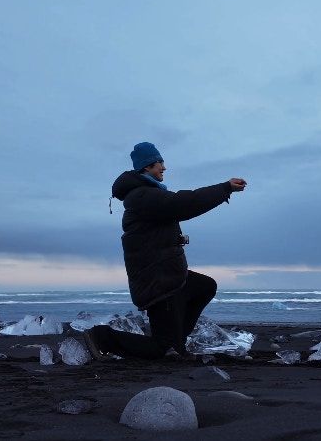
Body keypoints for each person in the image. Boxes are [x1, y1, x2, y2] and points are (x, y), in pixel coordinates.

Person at [85, 142, 247, 360]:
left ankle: (177, 339)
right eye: (159, 162)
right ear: (147, 166)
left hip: (168, 275)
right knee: (161, 349)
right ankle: (102, 337)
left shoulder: (148, 195)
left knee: (204, 286)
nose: (164, 167)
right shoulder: (144, 196)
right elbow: (186, 203)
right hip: (159, 282)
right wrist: (224, 188)